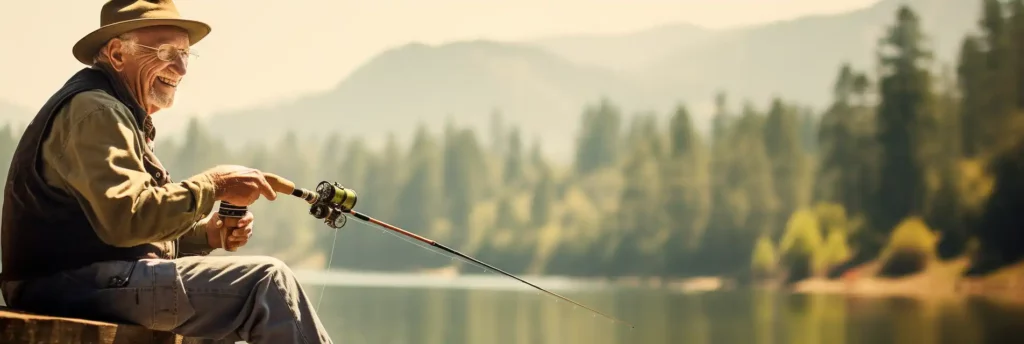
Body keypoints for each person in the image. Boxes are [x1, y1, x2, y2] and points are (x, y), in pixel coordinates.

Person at [0, 1, 334, 343]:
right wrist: (214, 185)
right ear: (117, 54)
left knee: (223, 319)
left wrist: (207, 235)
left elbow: (111, 230)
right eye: (165, 51)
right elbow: (127, 217)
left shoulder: (111, 108)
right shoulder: (96, 110)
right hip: (63, 286)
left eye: (186, 54)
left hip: (77, 280)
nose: (181, 68)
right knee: (266, 283)